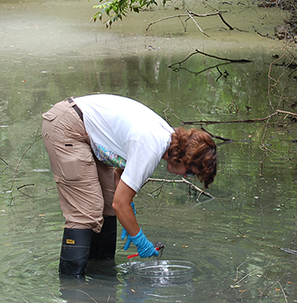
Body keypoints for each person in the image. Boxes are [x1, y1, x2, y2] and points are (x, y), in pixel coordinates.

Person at [41, 94, 217, 277]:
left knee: (109, 204)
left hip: (87, 132)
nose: (184, 175)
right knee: (87, 212)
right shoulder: (151, 146)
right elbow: (121, 204)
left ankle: (101, 277)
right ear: (185, 158)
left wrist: (125, 206)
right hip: (68, 126)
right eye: (189, 172)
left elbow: (119, 173)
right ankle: (72, 288)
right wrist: (139, 239)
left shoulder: (165, 139)